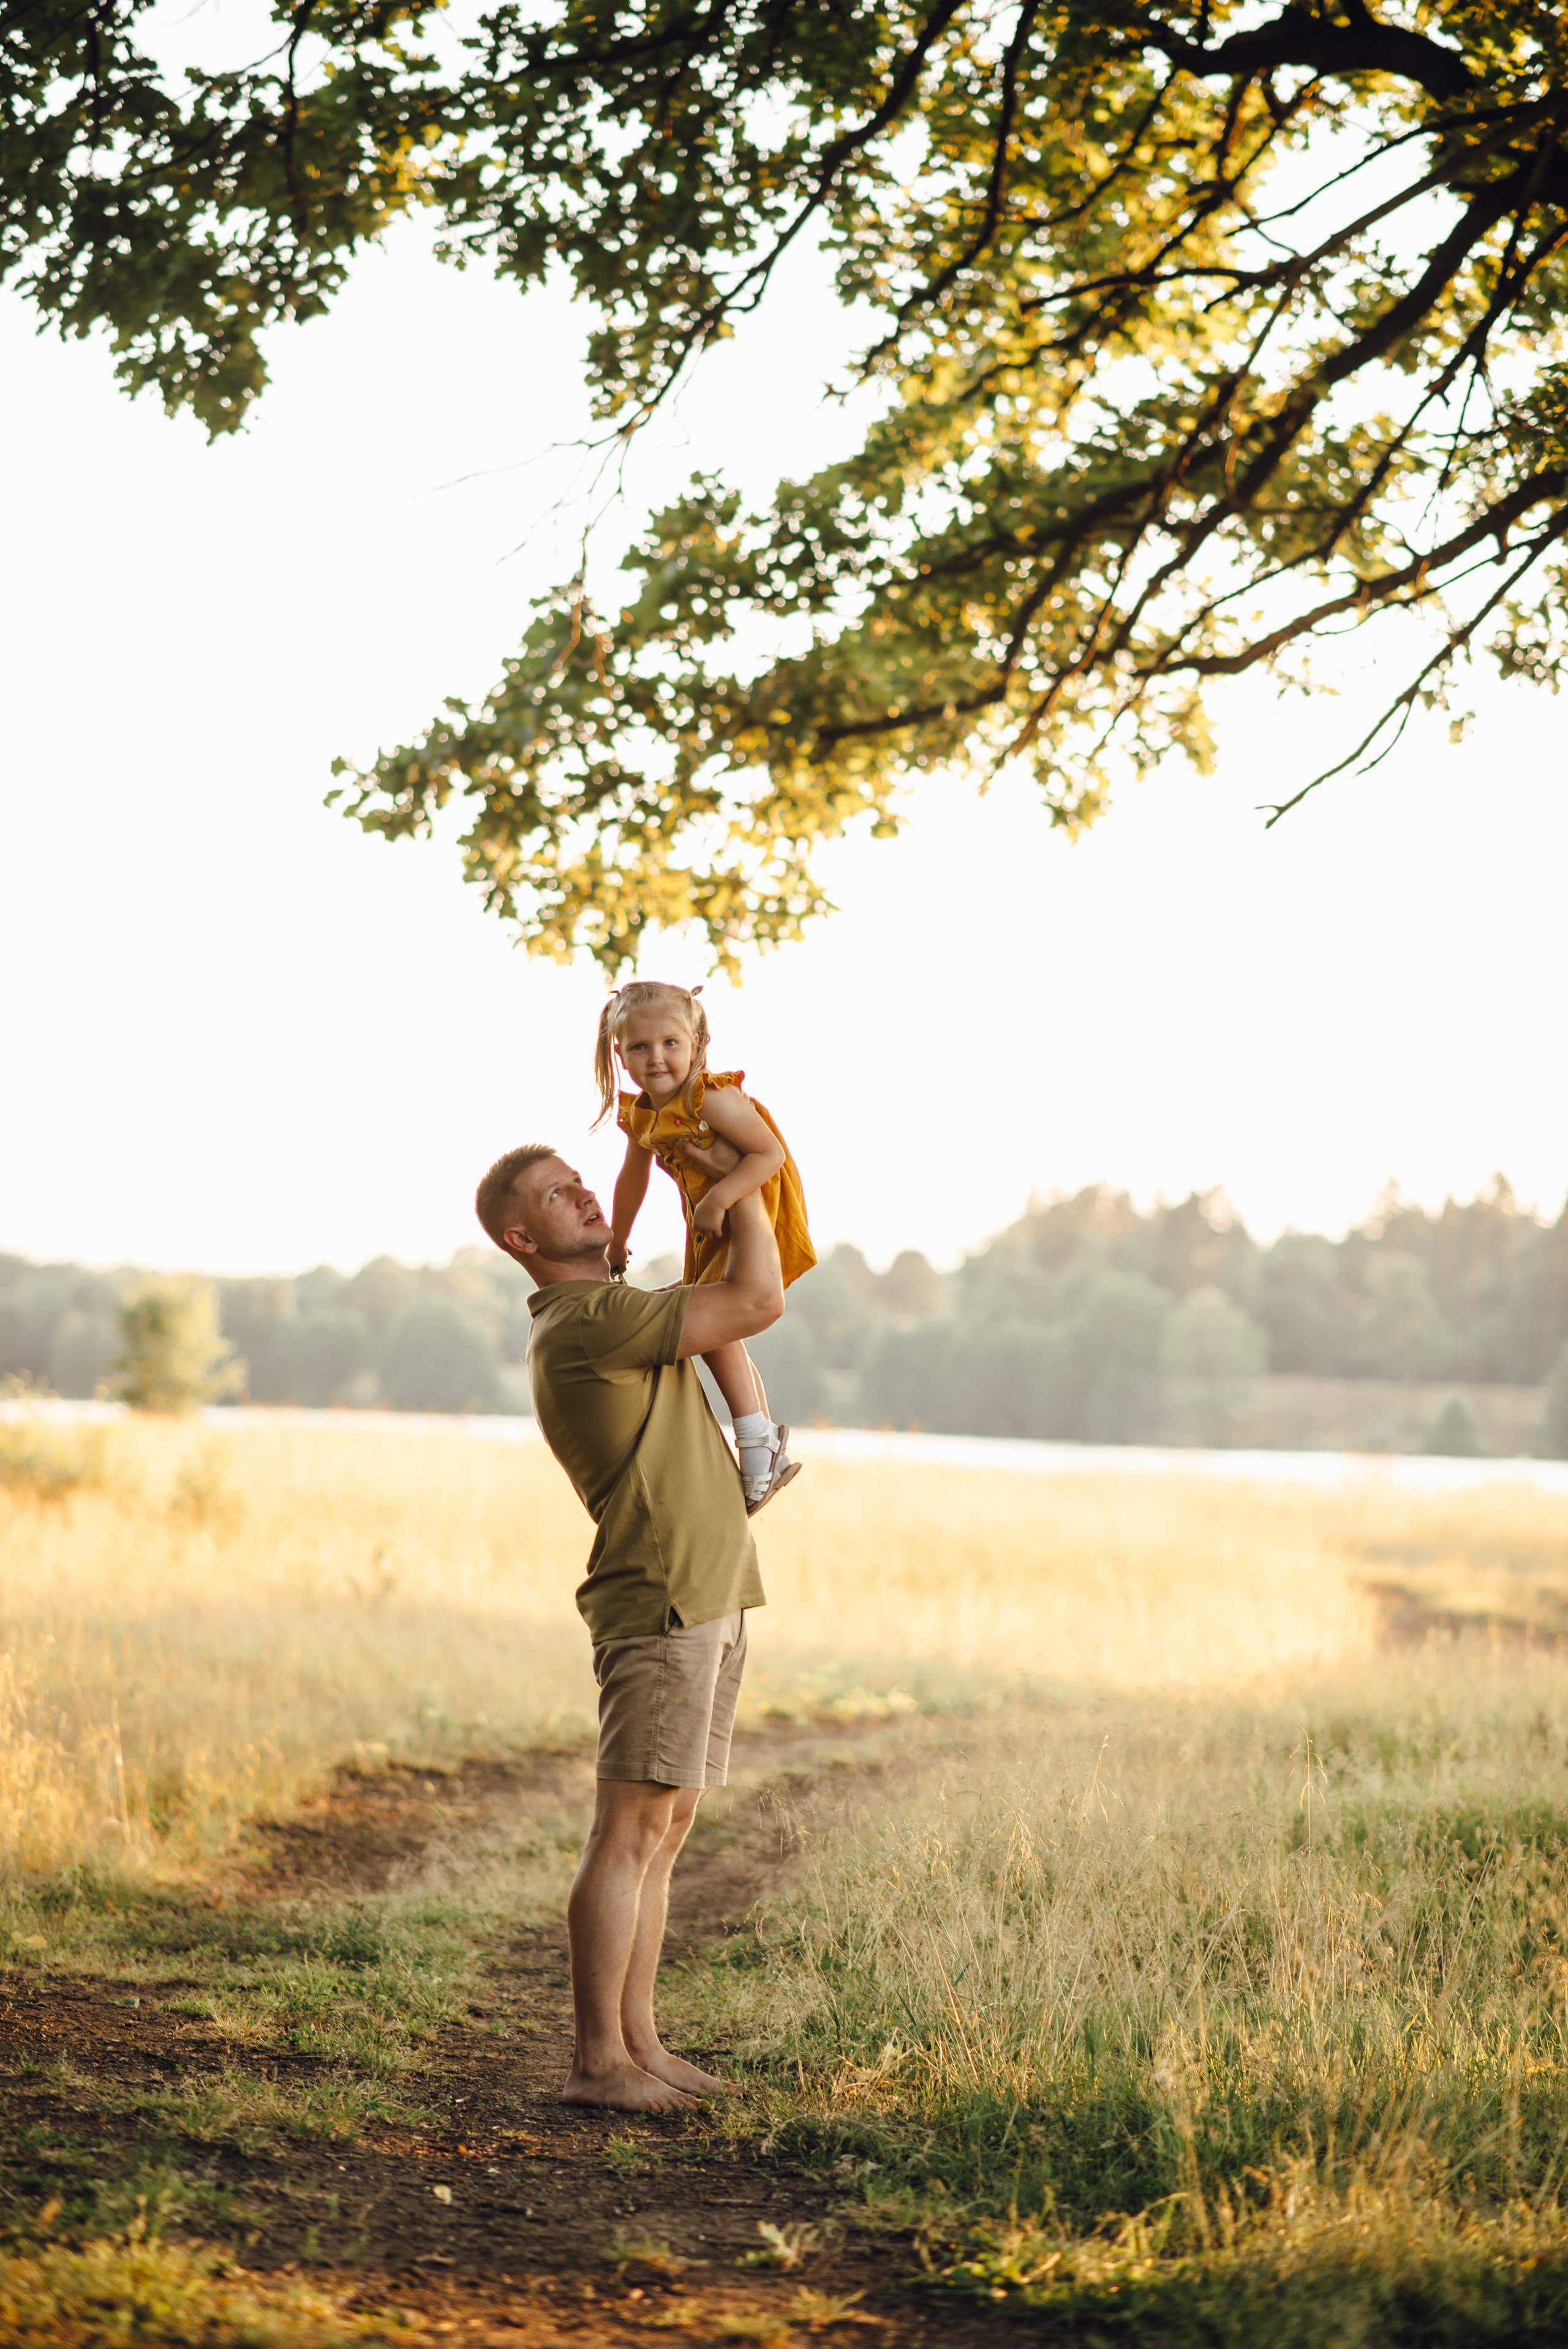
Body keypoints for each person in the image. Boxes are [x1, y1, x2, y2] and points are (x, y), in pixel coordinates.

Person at [473, 1141, 784, 2111]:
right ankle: (597, 2064)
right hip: (661, 1597)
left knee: (664, 1827)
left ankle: (639, 2044)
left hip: (706, 1591)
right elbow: (759, 1299)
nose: (581, 1190)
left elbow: (713, 1300)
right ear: (524, 1237)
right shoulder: (587, 1319)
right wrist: (749, 1183)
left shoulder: (614, 1308)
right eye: (555, 1194)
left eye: (579, 1176)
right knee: (627, 1829)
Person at [595, 980, 815, 1512]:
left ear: (696, 1043)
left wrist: (719, 1199)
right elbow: (632, 1179)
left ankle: (756, 1439)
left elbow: (769, 1155)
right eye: (640, 1048)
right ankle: (759, 1435)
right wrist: (618, 1238)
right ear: (619, 1054)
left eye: (670, 1043)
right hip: (710, 1222)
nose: (657, 1059)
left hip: (749, 1209)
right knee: (717, 1326)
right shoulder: (643, 1113)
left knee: (714, 1317)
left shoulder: (709, 1098)